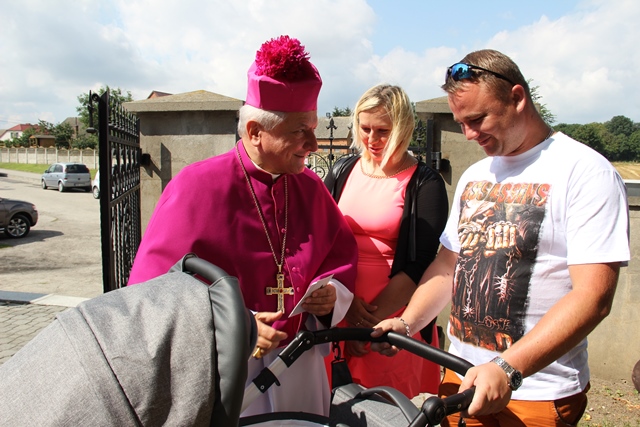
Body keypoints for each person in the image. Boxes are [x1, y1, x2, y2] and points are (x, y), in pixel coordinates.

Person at [372, 49, 630, 426]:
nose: (469, 134)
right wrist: (407, 322)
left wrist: (507, 367)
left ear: (517, 97)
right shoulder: (475, 175)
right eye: (461, 123)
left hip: (537, 392)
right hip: (461, 378)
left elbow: (593, 297)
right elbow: (448, 265)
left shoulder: (586, 172)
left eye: (477, 119)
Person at [127, 35, 358, 417]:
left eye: (314, 128)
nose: (314, 144)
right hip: (226, 373)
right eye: (299, 130)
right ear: (254, 132)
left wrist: (331, 295)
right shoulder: (194, 187)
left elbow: (340, 256)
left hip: (300, 366)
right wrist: (238, 327)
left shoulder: (311, 188)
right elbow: (154, 294)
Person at [323, 84, 448, 397]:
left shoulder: (425, 182)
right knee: (330, 405)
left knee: (386, 406)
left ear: (403, 129)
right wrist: (344, 306)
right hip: (339, 308)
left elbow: (420, 263)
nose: (371, 139)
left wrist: (368, 325)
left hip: (391, 318)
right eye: (365, 128)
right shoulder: (343, 169)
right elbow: (319, 238)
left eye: (383, 131)